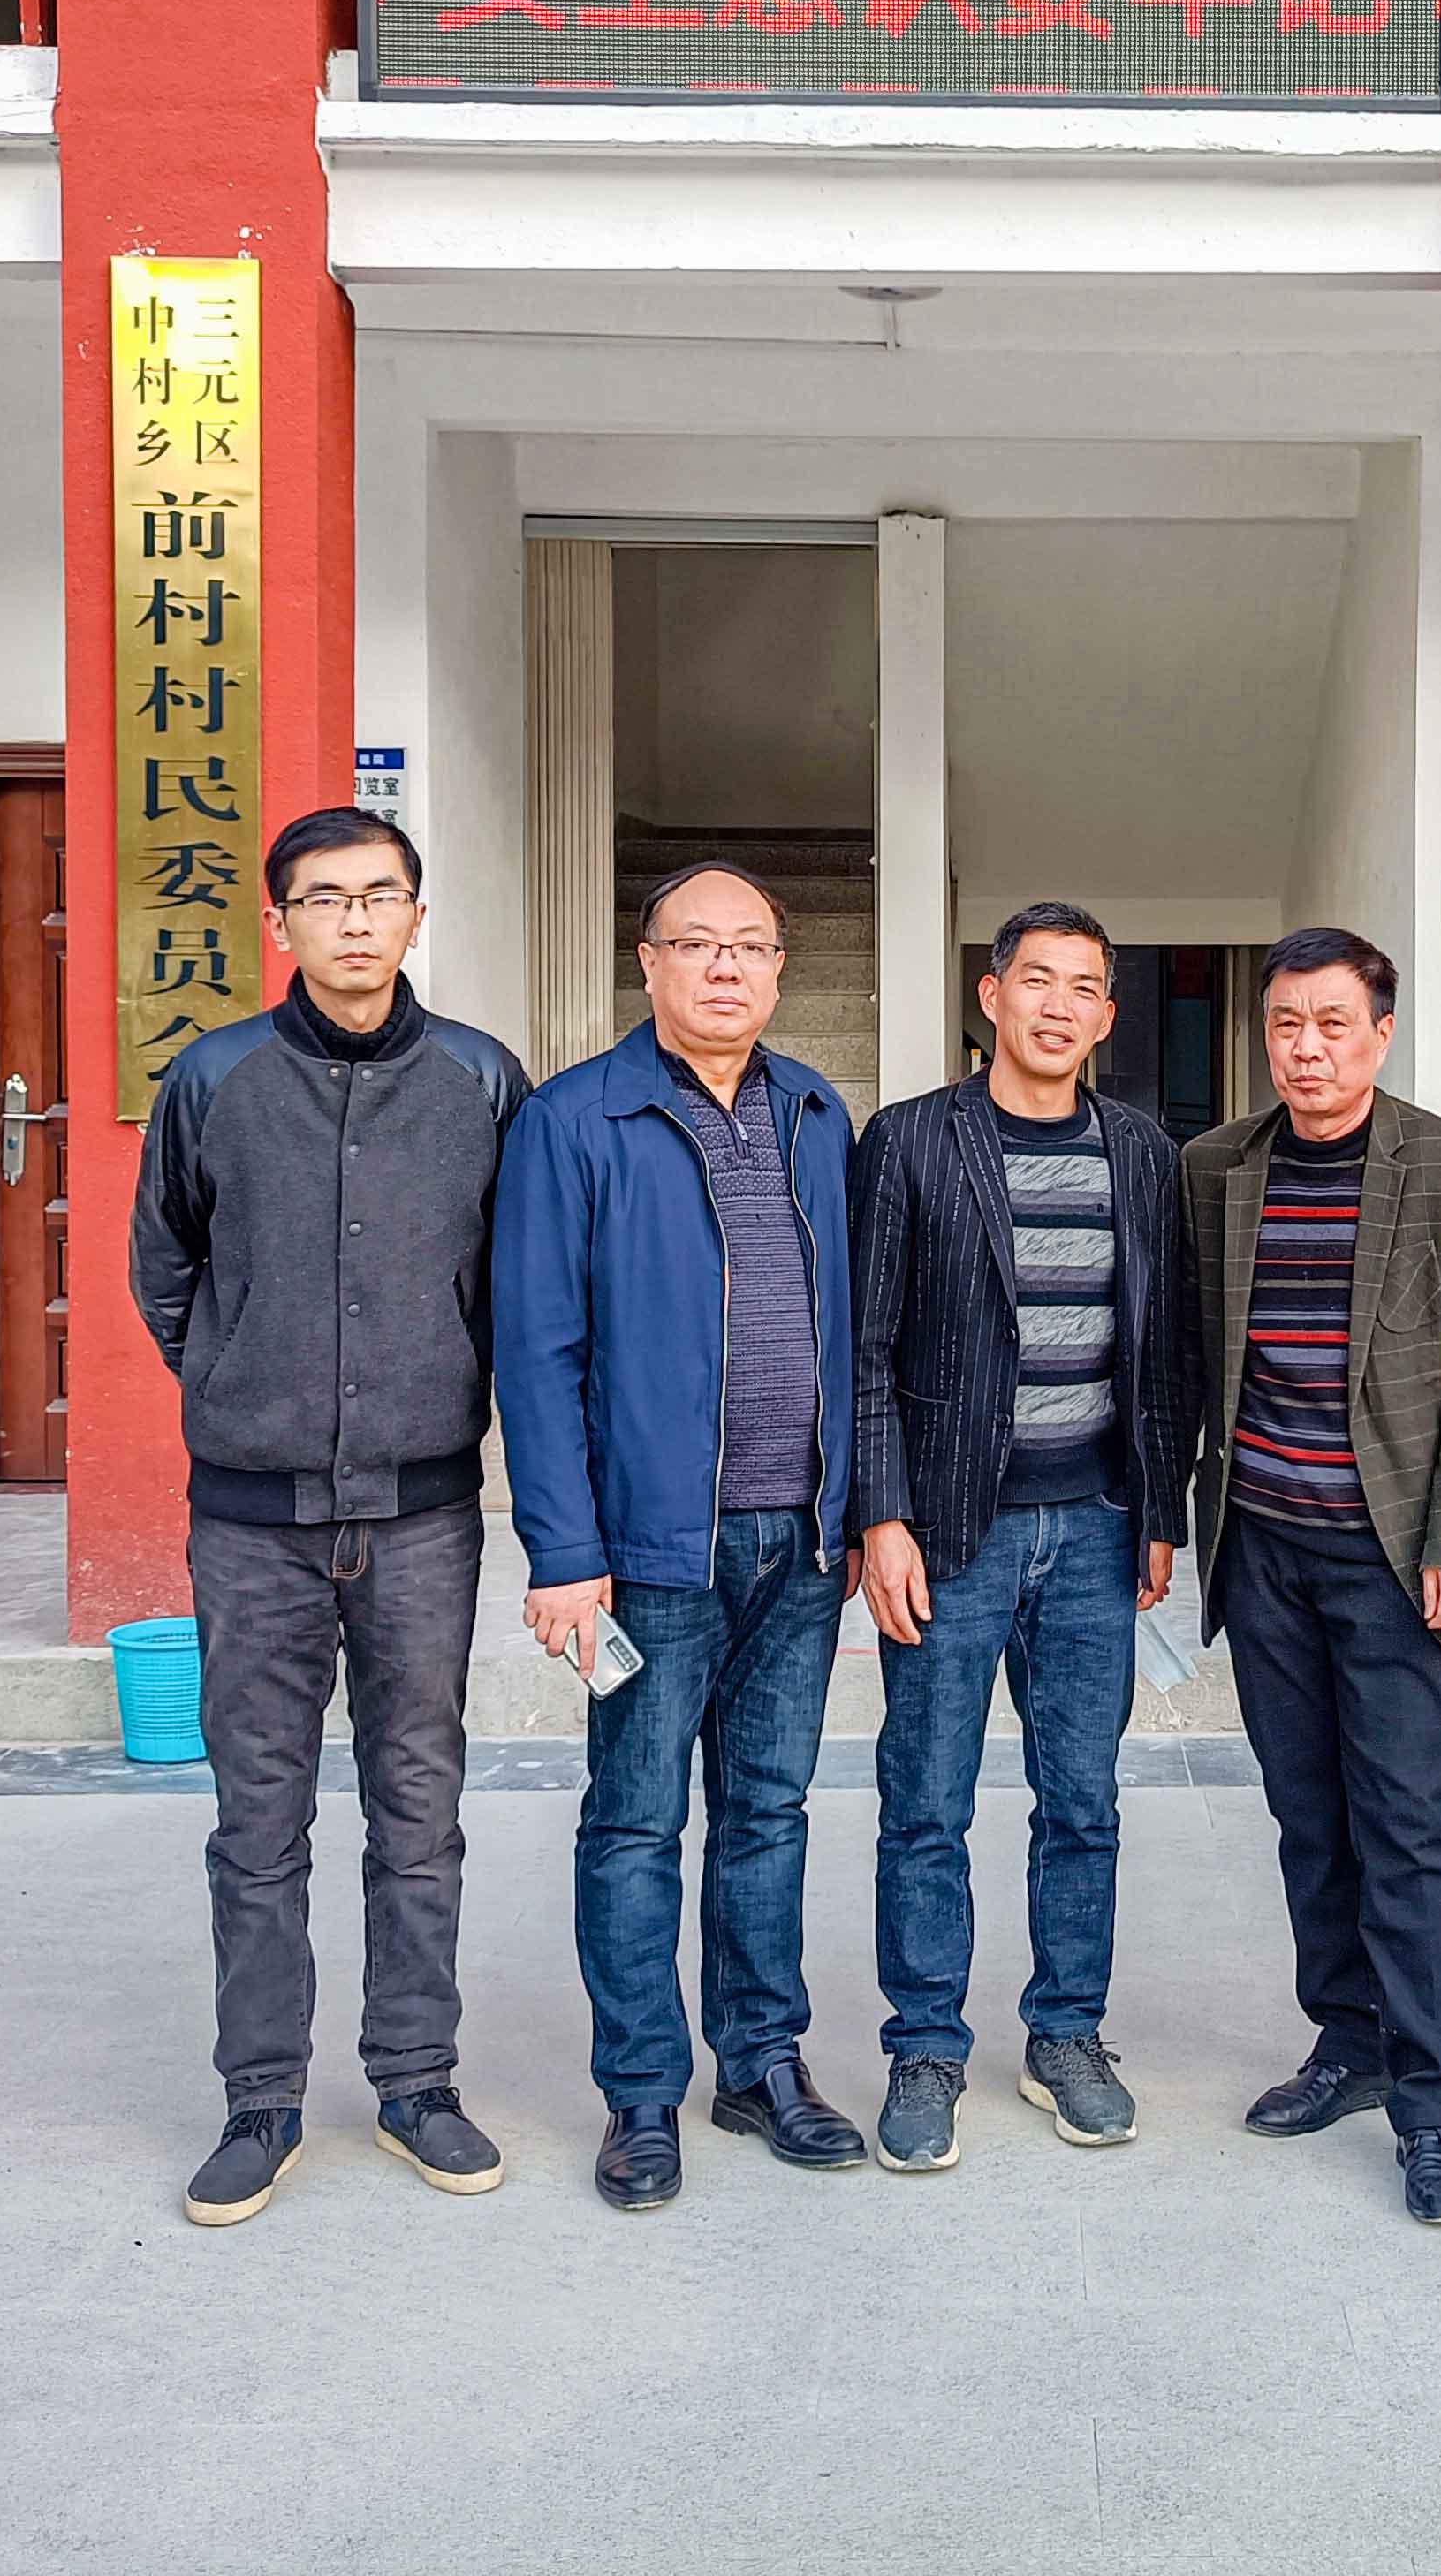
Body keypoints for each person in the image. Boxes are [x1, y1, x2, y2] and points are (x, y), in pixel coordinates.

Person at [127, 804, 527, 2229]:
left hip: (422, 1516)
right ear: (280, 923)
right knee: (259, 1819)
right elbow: (165, 1265)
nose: (355, 921)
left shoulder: (482, 1079)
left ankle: (417, 2081)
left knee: (420, 1810)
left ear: (418, 914)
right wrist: (240, 1382)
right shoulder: (214, 1077)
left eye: (379, 895)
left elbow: (516, 1283)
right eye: (324, 898)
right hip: (254, 1524)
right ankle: (261, 2097)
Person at [496, 860, 865, 2213]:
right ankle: (641, 2092)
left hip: (800, 1541)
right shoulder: (573, 1119)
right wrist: (561, 1551)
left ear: (777, 971)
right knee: (637, 1821)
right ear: (646, 963)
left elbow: (854, 1330)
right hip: (650, 1553)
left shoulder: (817, 1113)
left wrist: (857, 1509)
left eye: (750, 947)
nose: (724, 968)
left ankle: (760, 2063)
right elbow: (536, 1352)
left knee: (769, 1811)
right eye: (696, 944)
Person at [1181, 927, 1441, 2227]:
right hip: (1265, 1549)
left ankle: (1434, 2106)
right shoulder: (1216, 1168)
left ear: (1381, 1033)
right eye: (1286, 1024)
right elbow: (1186, 1357)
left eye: (1333, 1024)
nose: (1307, 1049)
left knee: (1406, 1828)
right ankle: (1350, 2041)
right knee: (1310, 1817)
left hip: (1396, 1560)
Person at [846, 903, 1202, 2171]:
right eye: (1035, 980)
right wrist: (880, 1514)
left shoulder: (1143, 1151)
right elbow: (866, 1345)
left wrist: (1160, 1510)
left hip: (1097, 1527)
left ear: (1108, 1013)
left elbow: (1167, 1347)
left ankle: (1066, 2034)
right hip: (954, 1531)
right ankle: (925, 2047)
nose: (1058, 1005)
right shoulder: (909, 1140)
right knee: (925, 1802)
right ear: (991, 995)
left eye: (1083, 987)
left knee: (1083, 1801)